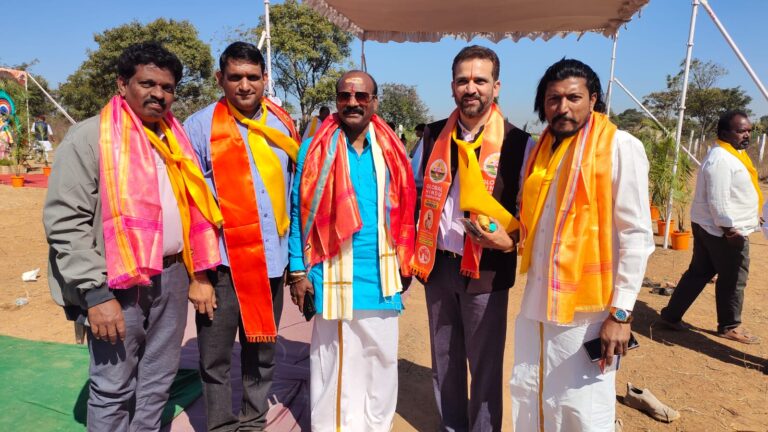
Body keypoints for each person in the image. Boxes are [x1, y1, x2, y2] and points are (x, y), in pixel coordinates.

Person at [43, 42, 222, 432]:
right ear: (123, 84)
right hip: (114, 284)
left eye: (168, 87)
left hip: (171, 276)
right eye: (148, 83)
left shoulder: (176, 139)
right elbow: (65, 222)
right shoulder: (91, 138)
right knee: (112, 386)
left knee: (158, 382)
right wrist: (95, 293)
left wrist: (197, 274)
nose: (159, 94)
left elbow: (193, 209)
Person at [510, 58, 654, 431]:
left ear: (593, 99)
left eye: (573, 97)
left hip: (590, 311)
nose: (562, 108)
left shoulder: (619, 147)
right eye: (553, 99)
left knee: (583, 405)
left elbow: (636, 235)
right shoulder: (544, 152)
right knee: (533, 392)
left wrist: (621, 314)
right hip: (540, 299)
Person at [411, 45, 532, 431]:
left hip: (487, 271)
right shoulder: (431, 137)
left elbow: (532, 211)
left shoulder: (519, 143)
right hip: (439, 265)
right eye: (463, 80)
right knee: (444, 359)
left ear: (496, 86)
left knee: (484, 364)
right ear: (452, 87)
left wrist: (513, 244)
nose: (471, 88)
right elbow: (412, 192)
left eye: (480, 80)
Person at [288, 70, 416, 431]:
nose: (353, 103)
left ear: (374, 101)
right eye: (345, 96)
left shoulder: (391, 148)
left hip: (381, 273)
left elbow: (407, 207)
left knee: (382, 362)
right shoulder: (315, 148)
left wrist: (407, 260)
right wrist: (298, 270)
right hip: (330, 272)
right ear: (337, 100)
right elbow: (300, 211)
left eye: (362, 96)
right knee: (335, 363)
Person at [184, 41, 300, 431]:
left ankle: (253, 421)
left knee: (262, 351)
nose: (245, 85)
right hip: (223, 265)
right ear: (220, 79)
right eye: (235, 77)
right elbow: (191, 204)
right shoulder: (199, 128)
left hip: (272, 262)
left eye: (253, 77)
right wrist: (199, 275)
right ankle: (220, 425)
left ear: (265, 78)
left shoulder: (283, 124)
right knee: (214, 358)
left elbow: (292, 191)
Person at [660, 111, 762, 344]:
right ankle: (729, 325)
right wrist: (729, 230)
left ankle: (671, 315)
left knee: (699, 273)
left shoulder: (732, 155)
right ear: (724, 133)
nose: (746, 135)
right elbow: (718, 200)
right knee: (734, 277)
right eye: (741, 131)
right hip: (724, 231)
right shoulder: (721, 160)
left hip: (711, 227)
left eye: (749, 130)